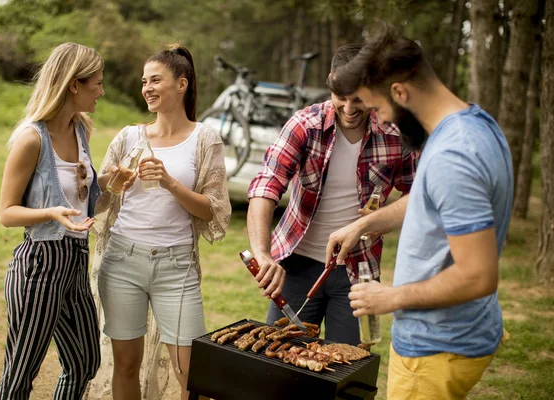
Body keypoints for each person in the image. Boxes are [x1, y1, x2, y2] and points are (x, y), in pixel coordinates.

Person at [327, 23, 513, 399]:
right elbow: (427, 199)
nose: (381, 120)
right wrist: (365, 224)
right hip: (458, 334)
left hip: (436, 347)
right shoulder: (471, 125)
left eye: (378, 107)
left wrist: (390, 297)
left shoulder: (452, 157)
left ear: (400, 92)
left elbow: (478, 276)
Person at [247, 43, 419, 345]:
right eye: (341, 97)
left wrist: (368, 224)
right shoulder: (304, 125)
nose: (349, 109)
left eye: (359, 99)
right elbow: (266, 186)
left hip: (359, 271)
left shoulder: (395, 134)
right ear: (330, 83)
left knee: (347, 370)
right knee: (281, 364)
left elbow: (420, 195)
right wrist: (262, 253)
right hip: (297, 266)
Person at [89, 44, 231, 400]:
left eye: (156, 80)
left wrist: (170, 182)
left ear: (181, 84)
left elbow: (212, 210)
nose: (147, 88)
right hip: (122, 260)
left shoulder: (205, 139)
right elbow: (98, 191)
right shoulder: (129, 136)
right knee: (125, 365)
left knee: (191, 372)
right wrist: (115, 181)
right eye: (144, 81)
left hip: (176, 266)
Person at [0, 42, 104, 399]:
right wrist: (50, 213)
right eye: (97, 84)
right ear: (74, 85)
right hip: (39, 266)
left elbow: (87, 203)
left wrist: (113, 185)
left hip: (75, 263)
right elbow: (7, 213)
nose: (101, 92)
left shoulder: (82, 130)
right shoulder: (31, 139)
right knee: (20, 375)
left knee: (85, 362)